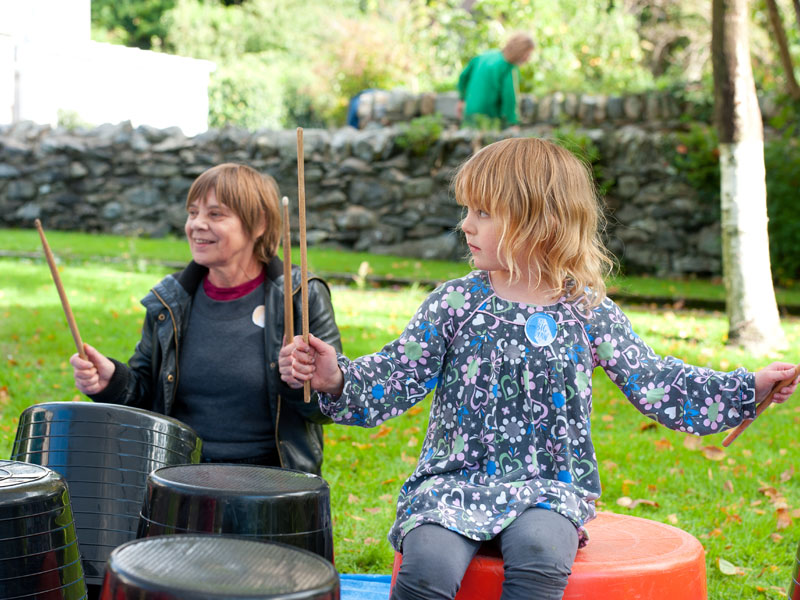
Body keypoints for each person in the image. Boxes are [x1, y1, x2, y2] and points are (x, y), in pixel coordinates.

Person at [285, 138, 800, 600]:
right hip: (453, 483)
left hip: (549, 489)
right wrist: (337, 377)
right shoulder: (456, 302)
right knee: (427, 569)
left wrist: (747, 387)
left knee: (539, 559)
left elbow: (655, 380)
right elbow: (399, 372)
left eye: (483, 212)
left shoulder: (586, 311)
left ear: (538, 220)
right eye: (467, 210)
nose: (466, 224)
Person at [70, 163, 341, 475]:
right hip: (181, 475)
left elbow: (327, 408)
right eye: (192, 212)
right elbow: (146, 395)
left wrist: (299, 381)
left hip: (273, 480)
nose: (197, 224)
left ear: (259, 223)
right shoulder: (170, 299)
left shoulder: (300, 296)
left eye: (215, 214)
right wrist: (112, 381)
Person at [457, 33, 535, 130]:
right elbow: (510, 97)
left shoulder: (485, 55)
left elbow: (463, 76)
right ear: (520, 51)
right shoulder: (508, 67)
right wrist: (512, 122)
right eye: (528, 54)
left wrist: (461, 99)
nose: (528, 58)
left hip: (470, 111)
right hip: (490, 116)